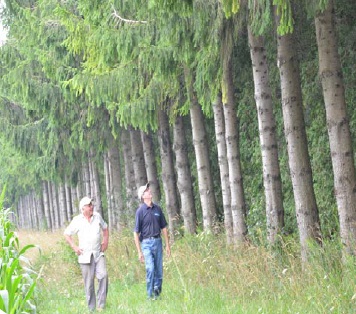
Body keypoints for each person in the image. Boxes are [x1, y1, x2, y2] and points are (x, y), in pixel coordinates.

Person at [64, 196, 109, 312]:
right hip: (85, 256)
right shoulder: (77, 220)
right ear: (83, 208)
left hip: (98, 253)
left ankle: (101, 306)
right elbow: (66, 234)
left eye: (91, 205)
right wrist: (74, 247)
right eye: (89, 205)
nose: (92, 206)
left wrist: (105, 241)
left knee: (103, 275)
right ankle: (91, 308)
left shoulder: (97, 216)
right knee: (89, 285)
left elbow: (105, 228)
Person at [134, 183, 171, 300]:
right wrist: (139, 251)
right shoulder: (140, 211)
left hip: (158, 242)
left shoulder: (158, 209)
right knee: (150, 269)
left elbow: (164, 228)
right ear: (143, 196)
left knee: (159, 271)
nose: (149, 191)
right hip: (146, 244)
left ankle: (157, 294)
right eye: (146, 191)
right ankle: (149, 296)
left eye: (149, 190)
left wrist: (167, 245)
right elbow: (136, 233)